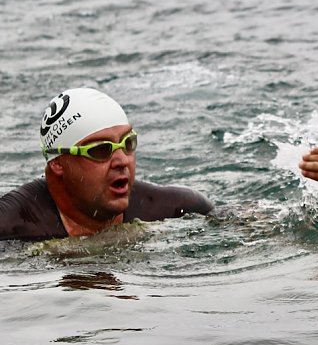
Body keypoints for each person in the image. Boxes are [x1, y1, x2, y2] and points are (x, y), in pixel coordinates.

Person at [0, 88, 212, 241]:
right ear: (58, 163)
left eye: (128, 143)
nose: (122, 161)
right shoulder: (12, 226)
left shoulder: (177, 209)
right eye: (100, 150)